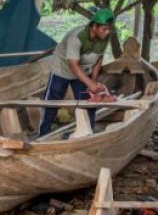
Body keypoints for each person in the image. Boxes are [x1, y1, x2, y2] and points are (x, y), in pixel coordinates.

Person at [38, 8, 114, 137]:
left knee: (88, 101)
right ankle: (43, 134)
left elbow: (98, 58)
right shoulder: (76, 37)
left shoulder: (104, 37)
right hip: (62, 69)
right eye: (104, 29)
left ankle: (87, 132)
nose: (107, 32)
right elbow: (73, 65)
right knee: (52, 101)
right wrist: (90, 83)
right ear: (94, 26)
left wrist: (93, 82)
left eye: (109, 29)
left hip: (83, 71)